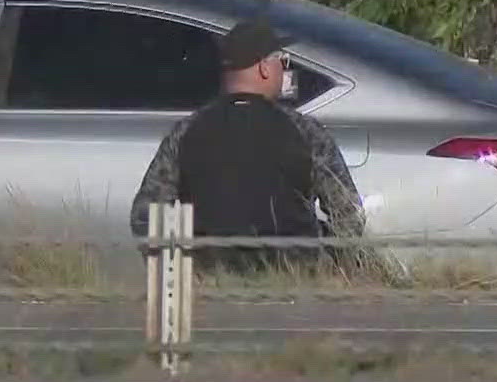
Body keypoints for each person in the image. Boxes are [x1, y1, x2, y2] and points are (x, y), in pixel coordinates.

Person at [129, 17, 365, 269]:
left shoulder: (187, 131)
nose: (284, 70)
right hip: (293, 291)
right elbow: (349, 216)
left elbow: (145, 216)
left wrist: (182, 270)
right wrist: (321, 260)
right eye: (282, 61)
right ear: (264, 67)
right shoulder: (306, 132)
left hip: (211, 289)